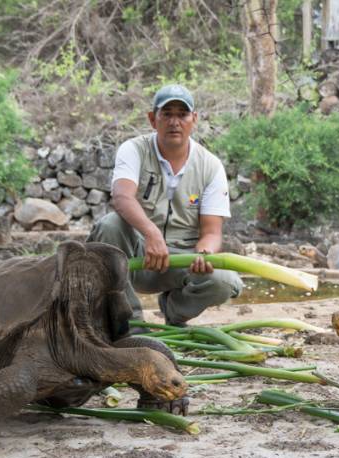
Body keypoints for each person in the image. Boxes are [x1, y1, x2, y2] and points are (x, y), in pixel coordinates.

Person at [87, 84, 243, 327]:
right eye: (167, 114)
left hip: (182, 260)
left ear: (194, 119)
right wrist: (151, 233)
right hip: (137, 256)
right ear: (152, 119)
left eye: (182, 114)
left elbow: (212, 232)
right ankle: (130, 323)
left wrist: (204, 254)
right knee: (110, 225)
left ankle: (175, 312)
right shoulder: (134, 149)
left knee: (224, 281)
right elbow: (122, 197)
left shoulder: (211, 166)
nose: (174, 122)